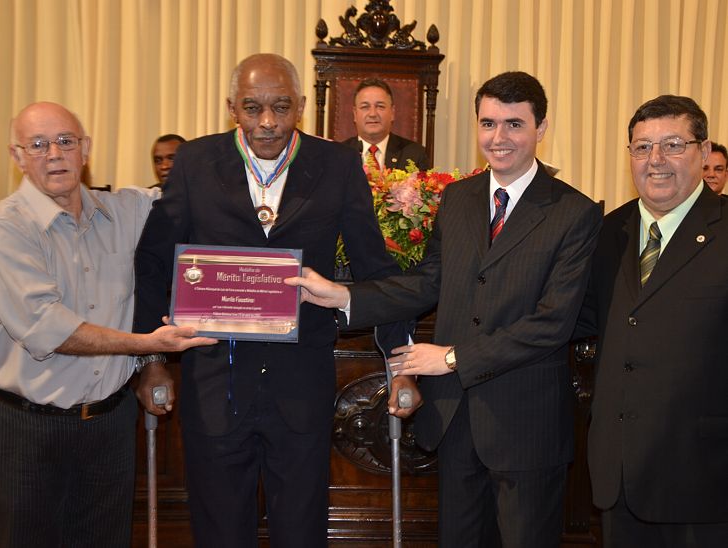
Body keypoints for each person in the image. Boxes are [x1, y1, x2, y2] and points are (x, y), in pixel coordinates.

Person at [287, 71, 603, 548]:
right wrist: (346, 296)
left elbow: (552, 323)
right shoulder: (458, 199)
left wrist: (451, 357)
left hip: (526, 427)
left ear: (541, 128)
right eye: (489, 123)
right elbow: (428, 282)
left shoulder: (573, 212)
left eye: (515, 124)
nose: (499, 138)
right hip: (455, 420)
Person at [133, 53, 418, 547]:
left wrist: (403, 363)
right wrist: (152, 358)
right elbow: (154, 262)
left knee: (302, 531)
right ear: (231, 108)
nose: (267, 122)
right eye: (252, 107)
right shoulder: (196, 163)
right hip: (213, 382)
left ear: (302, 106)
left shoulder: (335, 164)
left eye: (281, 107)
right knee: (219, 530)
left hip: (300, 384)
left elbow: (376, 268)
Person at [0, 102, 216, 548]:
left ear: (86, 149)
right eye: (37, 145)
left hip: (111, 426)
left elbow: (200, 201)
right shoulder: (7, 227)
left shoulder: (129, 211)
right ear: (17, 157)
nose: (54, 154)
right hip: (30, 432)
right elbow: (49, 329)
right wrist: (146, 345)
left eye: (65, 141)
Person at [576, 95, 728, 547]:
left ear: (703, 153)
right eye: (642, 147)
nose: (655, 160)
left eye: (673, 145)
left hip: (705, 479)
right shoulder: (606, 233)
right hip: (618, 476)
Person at [341, 78, 431, 171]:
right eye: (365, 107)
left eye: (380, 106)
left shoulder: (415, 154)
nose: (372, 114)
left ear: (392, 113)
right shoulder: (338, 155)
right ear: (355, 114)